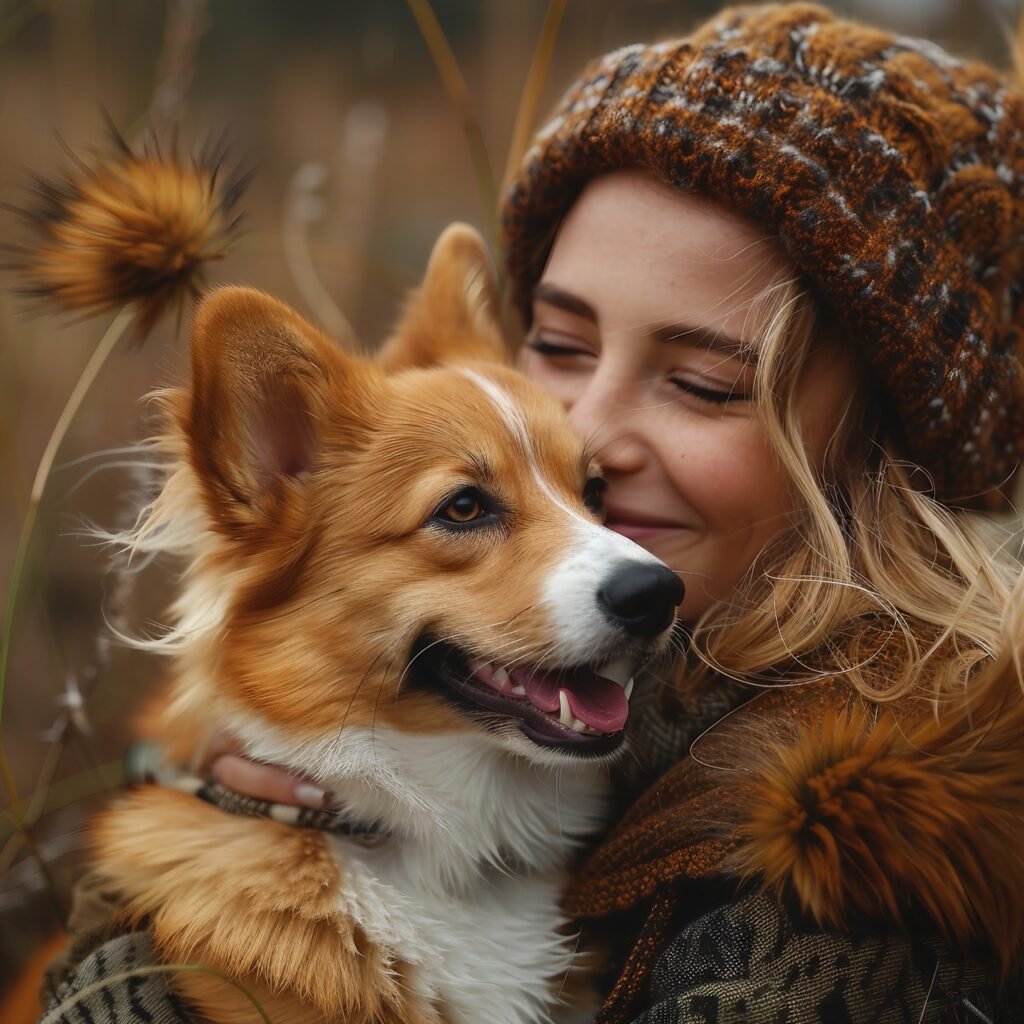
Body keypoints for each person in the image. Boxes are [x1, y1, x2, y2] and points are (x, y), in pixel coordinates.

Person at [43, 3, 1024, 1022]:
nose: (586, 433)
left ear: (889, 456)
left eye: (701, 382)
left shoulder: (861, 876)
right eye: (557, 344)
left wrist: (147, 969)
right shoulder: (623, 723)